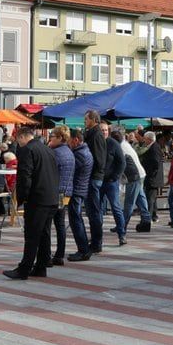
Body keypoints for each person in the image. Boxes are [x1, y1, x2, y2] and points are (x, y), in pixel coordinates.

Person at [4, 128, 59, 280]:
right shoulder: (47, 149)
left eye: (18, 140)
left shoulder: (28, 150)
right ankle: (41, 266)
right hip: (51, 197)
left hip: (37, 198)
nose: (18, 144)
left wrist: (22, 198)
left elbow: (25, 176)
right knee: (44, 234)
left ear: (22, 137)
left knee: (32, 235)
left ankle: (24, 269)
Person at [47, 126, 75, 265]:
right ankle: (59, 254)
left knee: (47, 223)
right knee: (60, 224)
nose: (50, 138)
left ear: (59, 137)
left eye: (52, 136)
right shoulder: (69, 151)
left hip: (55, 192)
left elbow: (48, 171)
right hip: (66, 192)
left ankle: (48, 255)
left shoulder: (55, 152)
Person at [67, 128, 94, 261]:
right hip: (79, 189)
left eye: (69, 141)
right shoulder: (82, 151)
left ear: (76, 140)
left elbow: (71, 170)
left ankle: (83, 250)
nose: (68, 144)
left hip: (77, 190)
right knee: (76, 219)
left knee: (76, 219)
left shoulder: (80, 154)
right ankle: (83, 249)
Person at [118, 130, 151, 236]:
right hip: (140, 173)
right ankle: (146, 221)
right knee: (140, 198)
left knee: (129, 201)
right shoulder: (125, 144)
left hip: (134, 176)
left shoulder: (120, 147)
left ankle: (123, 224)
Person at [83, 111, 107, 253]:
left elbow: (99, 159)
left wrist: (92, 173)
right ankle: (95, 240)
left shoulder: (96, 135)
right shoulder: (92, 133)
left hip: (93, 177)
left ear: (93, 119)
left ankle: (97, 242)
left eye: (86, 119)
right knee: (92, 211)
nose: (84, 121)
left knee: (94, 210)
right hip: (93, 177)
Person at [100, 123, 127, 245]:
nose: (104, 132)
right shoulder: (94, 143)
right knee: (98, 209)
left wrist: (114, 177)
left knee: (116, 208)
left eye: (105, 130)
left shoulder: (113, 144)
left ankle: (122, 234)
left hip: (111, 182)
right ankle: (97, 236)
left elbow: (122, 163)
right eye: (102, 130)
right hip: (97, 182)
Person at [138, 131, 164, 231]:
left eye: (145, 139)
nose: (144, 140)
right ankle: (152, 216)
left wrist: (150, 175)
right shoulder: (153, 147)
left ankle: (146, 220)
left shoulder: (154, 148)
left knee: (150, 199)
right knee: (151, 199)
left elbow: (156, 164)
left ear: (149, 139)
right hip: (152, 178)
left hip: (153, 179)